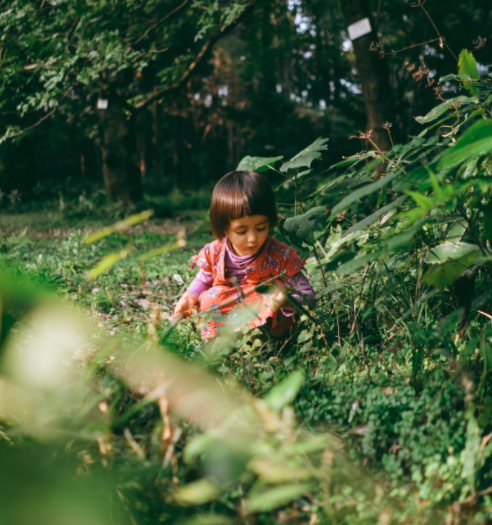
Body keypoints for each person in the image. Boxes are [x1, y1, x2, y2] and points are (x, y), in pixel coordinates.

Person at [173, 170, 315, 339]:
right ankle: (222, 343)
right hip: (227, 319)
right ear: (224, 227)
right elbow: (203, 279)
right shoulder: (216, 252)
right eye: (241, 231)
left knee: (271, 292)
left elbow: (309, 296)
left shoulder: (279, 256)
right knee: (208, 299)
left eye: (261, 228)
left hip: (269, 328)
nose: (253, 238)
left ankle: (266, 345)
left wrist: (286, 301)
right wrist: (190, 296)